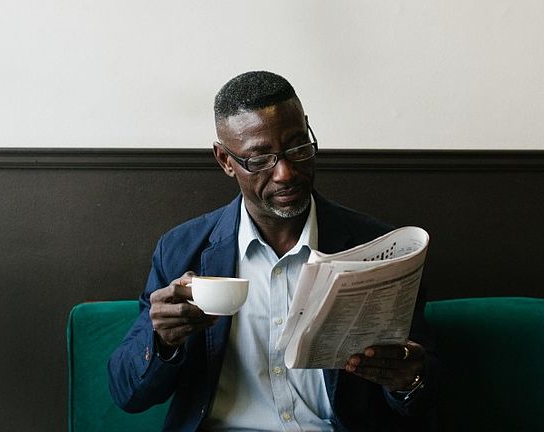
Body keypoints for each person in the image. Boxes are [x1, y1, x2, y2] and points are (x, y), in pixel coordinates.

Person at [108, 71, 438, 431]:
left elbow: (426, 394)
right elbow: (128, 394)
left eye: (297, 148)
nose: (285, 173)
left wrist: (409, 379)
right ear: (225, 160)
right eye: (260, 159)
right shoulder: (182, 250)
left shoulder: (378, 246)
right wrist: (162, 340)